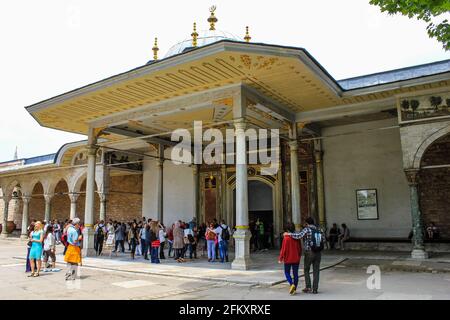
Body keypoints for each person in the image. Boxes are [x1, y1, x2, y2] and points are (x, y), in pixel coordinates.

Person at [286, 217, 325, 294]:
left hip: (309, 252)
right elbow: (323, 240)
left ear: (307, 223)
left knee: (306, 269)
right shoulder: (320, 230)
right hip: (318, 253)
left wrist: (289, 234)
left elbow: (299, 236)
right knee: (316, 270)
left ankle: (308, 287)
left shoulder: (307, 229)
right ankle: (315, 289)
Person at [279, 223, 302, 295]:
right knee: (296, 274)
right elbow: (300, 248)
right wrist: (299, 255)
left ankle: (291, 284)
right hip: (296, 258)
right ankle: (294, 289)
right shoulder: (296, 237)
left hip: (288, 258)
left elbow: (283, 249)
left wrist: (281, 258)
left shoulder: (286, 238)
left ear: (287, 229)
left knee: (287, 272)